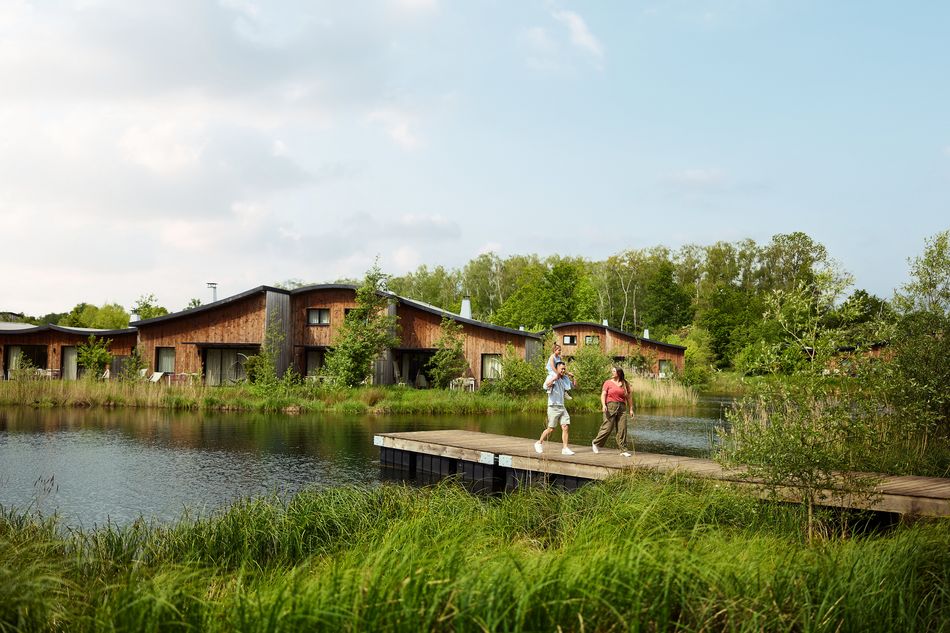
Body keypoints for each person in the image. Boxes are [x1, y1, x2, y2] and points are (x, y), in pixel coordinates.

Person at [535, 361, 577, 455]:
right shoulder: (551, 376)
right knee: (551, 429)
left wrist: (573, 377)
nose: (563, 370)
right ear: (556, 369)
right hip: (553, 406)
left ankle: (565, 448)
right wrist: (554, 378)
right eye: (561, 369)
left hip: (562, 406)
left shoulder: (565, 378)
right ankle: (539, 443)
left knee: (565, 426)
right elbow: (545, 386)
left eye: (564, 369)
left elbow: (574, 386)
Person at [591, 366, 634, 457]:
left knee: (622, 429)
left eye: (614, 371)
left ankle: (623, 449)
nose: (612, 372)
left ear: (618, 373)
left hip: (622, 408)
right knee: (607, 428)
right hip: (610, 406)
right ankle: (596, 443)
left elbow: (629, 397)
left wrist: (631, 409)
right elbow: (603, 394)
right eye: (612, 371)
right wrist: (603, 405)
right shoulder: (608, 383)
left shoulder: (625, 383)